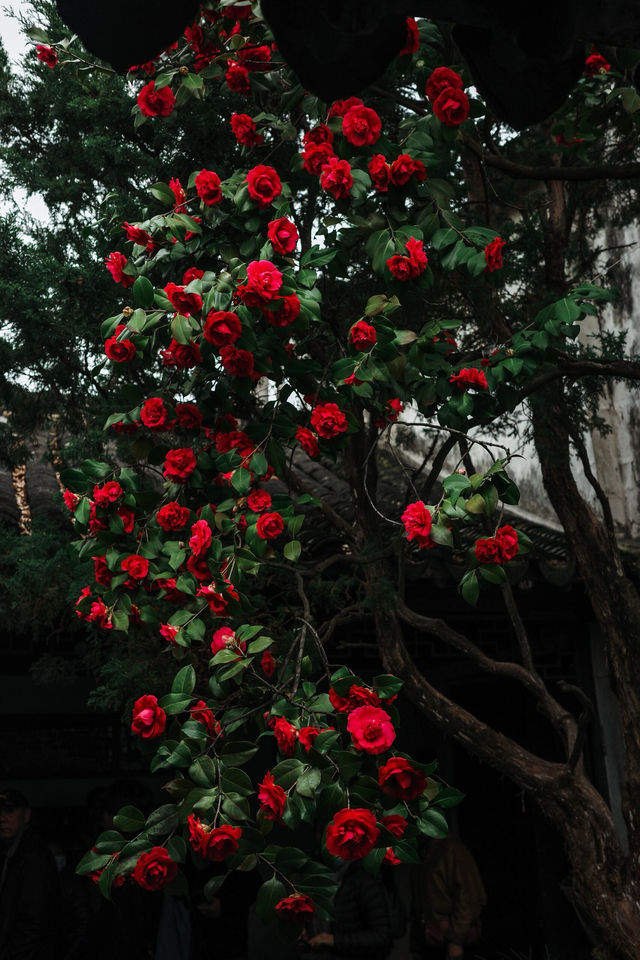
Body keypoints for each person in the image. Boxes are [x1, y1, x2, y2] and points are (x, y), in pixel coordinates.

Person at [0, 787, 60, 960]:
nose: (2, 818)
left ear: (26, 815)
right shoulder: (14, 851)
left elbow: (34, 922)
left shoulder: (33, 856)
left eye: (9, 811)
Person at [410, 836, 486, 960]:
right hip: (432, 941)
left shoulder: (451, 850)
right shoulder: (422, 854)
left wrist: (456, 941)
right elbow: (418, 903)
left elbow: (468, 898)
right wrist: (416, 945)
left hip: (453, 941)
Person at [299, 860, 393, 959]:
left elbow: (382, 937)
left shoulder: (364, 879)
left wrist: (334, 940)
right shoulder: (315, 870)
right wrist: (306, 933)